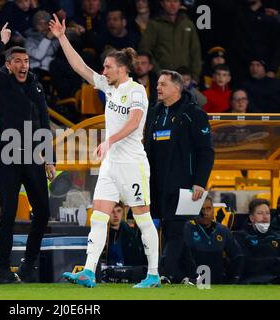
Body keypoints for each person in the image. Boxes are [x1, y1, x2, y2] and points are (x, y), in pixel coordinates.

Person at [50, 14, 161, 288]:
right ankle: (88, 271)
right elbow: (80, 67)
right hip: (110, 166)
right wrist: (62, 37)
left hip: (132, 164)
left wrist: (110, 140)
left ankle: (154, 274)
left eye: (108, 66)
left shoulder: (136, 91)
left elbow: (135, 122)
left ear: (122, 69)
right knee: (98, 216)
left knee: (143, 219)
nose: (104, 70)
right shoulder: (108, 88)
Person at [0, 23, 56, 284]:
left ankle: (28, 263)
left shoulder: (35, 85)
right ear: (9, 65)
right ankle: (2, 268)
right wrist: (1, 42)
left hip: (34, 156)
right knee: (9, 212)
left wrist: (49, 157)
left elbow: (44, 121)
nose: (24, 65)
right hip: (7, 155)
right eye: (18, 61)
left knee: (43, 212)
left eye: (26, 60)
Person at [144, 70, 214, 284]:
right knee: (170, 228)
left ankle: (161, 273)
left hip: (185, 184)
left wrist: (200, 182)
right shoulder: (154, 112)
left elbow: (206, 151)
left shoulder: (194, 113)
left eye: (163, 84)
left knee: (174, 229)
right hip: (157, 182)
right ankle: (194, 276)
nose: (158, 88)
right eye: (157, 84)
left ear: (177, 87)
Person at [184, 196, 244, 284]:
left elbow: (237, 256)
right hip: (192, 281)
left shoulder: (222, 230)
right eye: (201, 209)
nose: (205, 213)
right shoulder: (187, 228)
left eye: (208, 208)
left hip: (218, 282)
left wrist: (233, 278)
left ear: (213, 210)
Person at [138, 0, 202, 82]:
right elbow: (145, 49)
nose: (172, 5)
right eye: (168, 1)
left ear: (180, 4)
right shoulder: (154, 24)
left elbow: (195, 52)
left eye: (175, 1)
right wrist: (158, 72)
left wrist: (195, 77)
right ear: (162, 3)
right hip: (161, 78)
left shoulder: (188, 24)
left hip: (185, 79)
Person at [233, 199, 280, 284]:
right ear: (251, 218)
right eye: (260, 213)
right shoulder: (240, 236)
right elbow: (247, 264)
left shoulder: (277, 237)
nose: (265, 217)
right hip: (250, 282)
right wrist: (275, 260)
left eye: (267, 213)